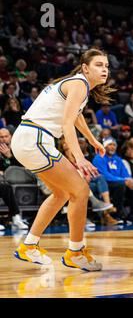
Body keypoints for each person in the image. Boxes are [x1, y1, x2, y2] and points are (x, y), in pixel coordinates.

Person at [11, 49, 114, 271]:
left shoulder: (77, 86)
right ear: (86, 68)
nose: (104, 69)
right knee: (81, 191)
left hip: (29, 139)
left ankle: (28, 246)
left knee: (62, 194)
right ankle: (75, 252)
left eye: (106, 65)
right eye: (99, 65)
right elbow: (67, 123)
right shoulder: (79, 84)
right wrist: (80, 158)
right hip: (35, 139)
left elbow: (75, 116)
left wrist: (92, 140)